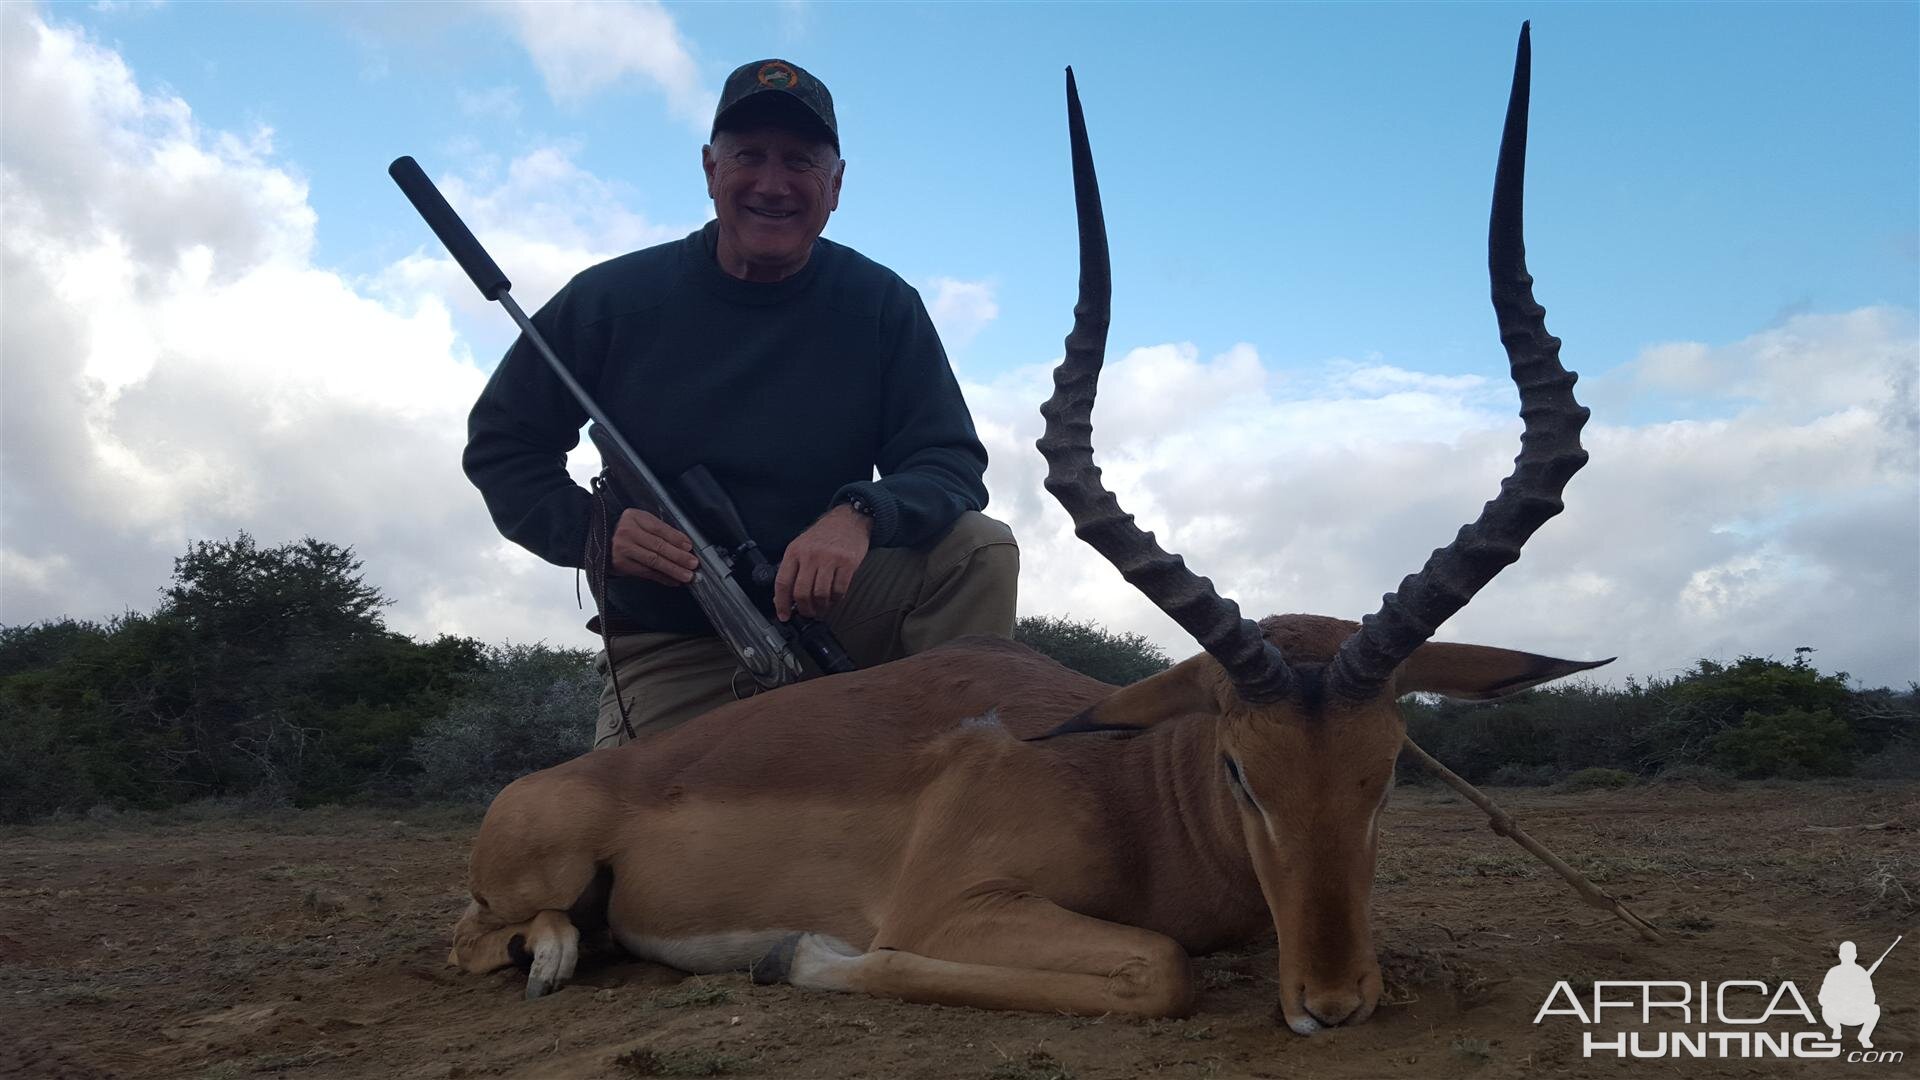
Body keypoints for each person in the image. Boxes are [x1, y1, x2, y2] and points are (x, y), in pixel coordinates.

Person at [463, 58, 1018, 749]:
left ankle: (950, 774)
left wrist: (858, 515)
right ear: (709, 170)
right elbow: (505, 445)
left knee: (977, 549)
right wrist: (593, 533)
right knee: (634, 846)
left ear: (837, 185)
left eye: (800, 163)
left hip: (827, 615)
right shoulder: (610, 300)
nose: (773, 184)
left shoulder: (879, 305)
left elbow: (948, 462)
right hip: (672, 641)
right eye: (749, 157)